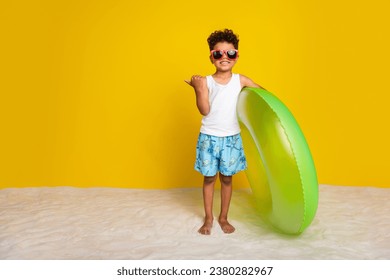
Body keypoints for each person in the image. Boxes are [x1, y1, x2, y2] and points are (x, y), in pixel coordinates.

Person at [185, 29, 264, 235]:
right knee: (209, 178)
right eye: (218, 54)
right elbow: (204, 110)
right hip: (209, 138)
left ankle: (223, 217)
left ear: (237, 56)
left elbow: (263, 96)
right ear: (211, 57)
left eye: (230, 53)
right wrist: (198, 88)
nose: (224, 58)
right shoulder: (206, 82)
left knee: (227, 179)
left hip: (231, 138)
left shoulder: (241, 80)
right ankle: (209, 218)